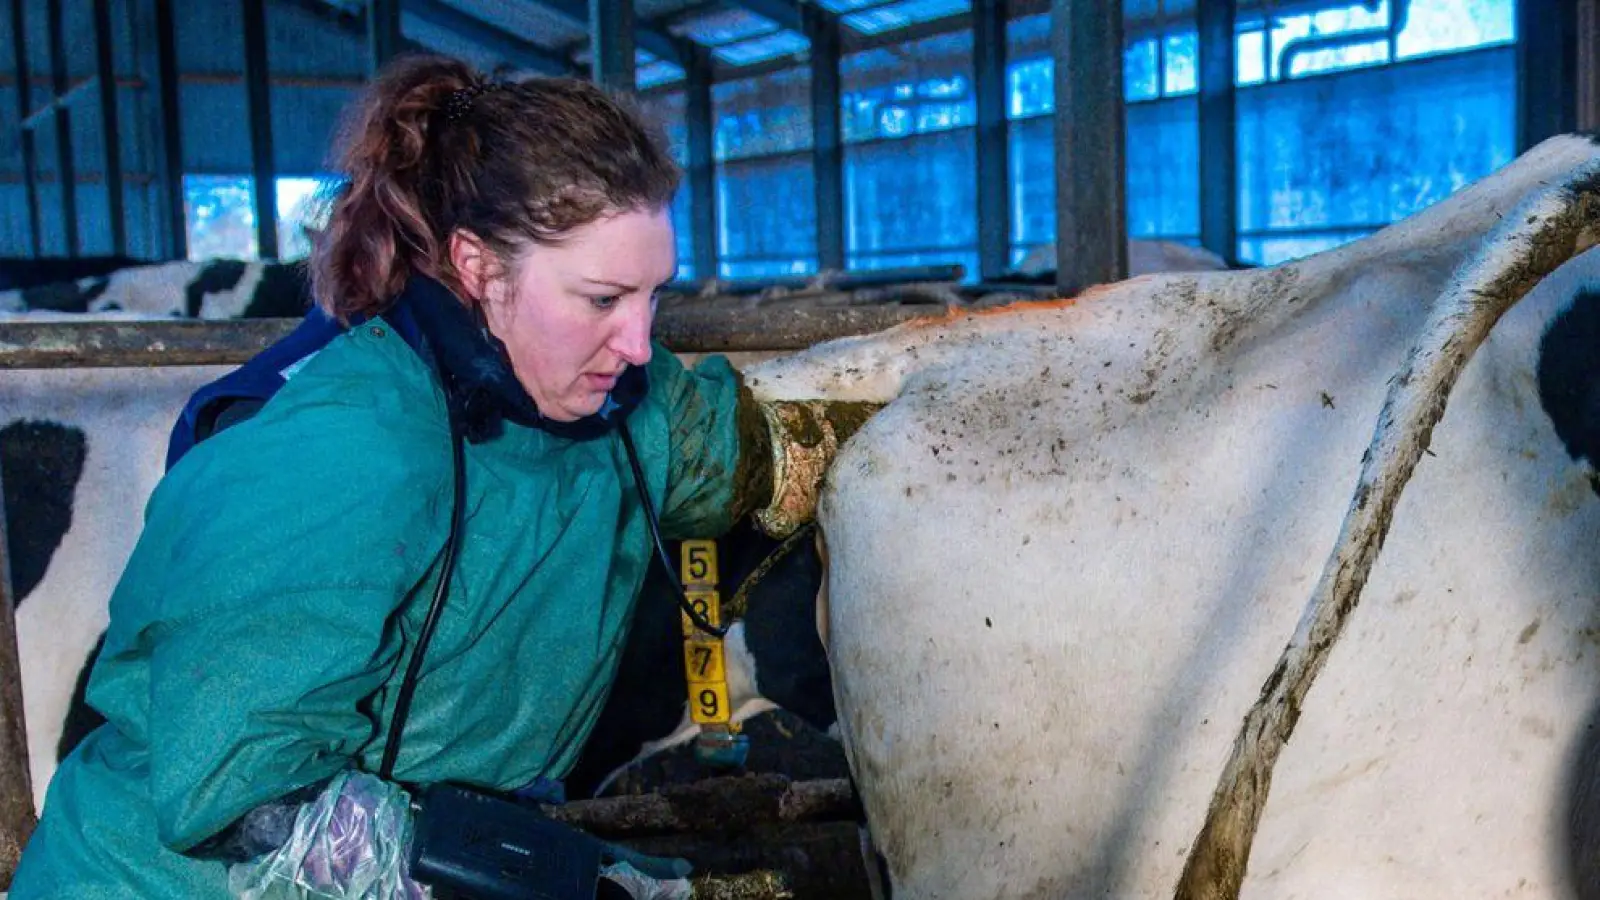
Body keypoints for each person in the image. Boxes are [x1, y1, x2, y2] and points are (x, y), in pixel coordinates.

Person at [10, 55, 872, 898]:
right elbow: (242, 800)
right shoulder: (338, 456)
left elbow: (747, 451)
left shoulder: (615, 399)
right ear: (476, 266)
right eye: (603, 299)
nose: (641, 342)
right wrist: (592, 885)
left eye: (654, 297)